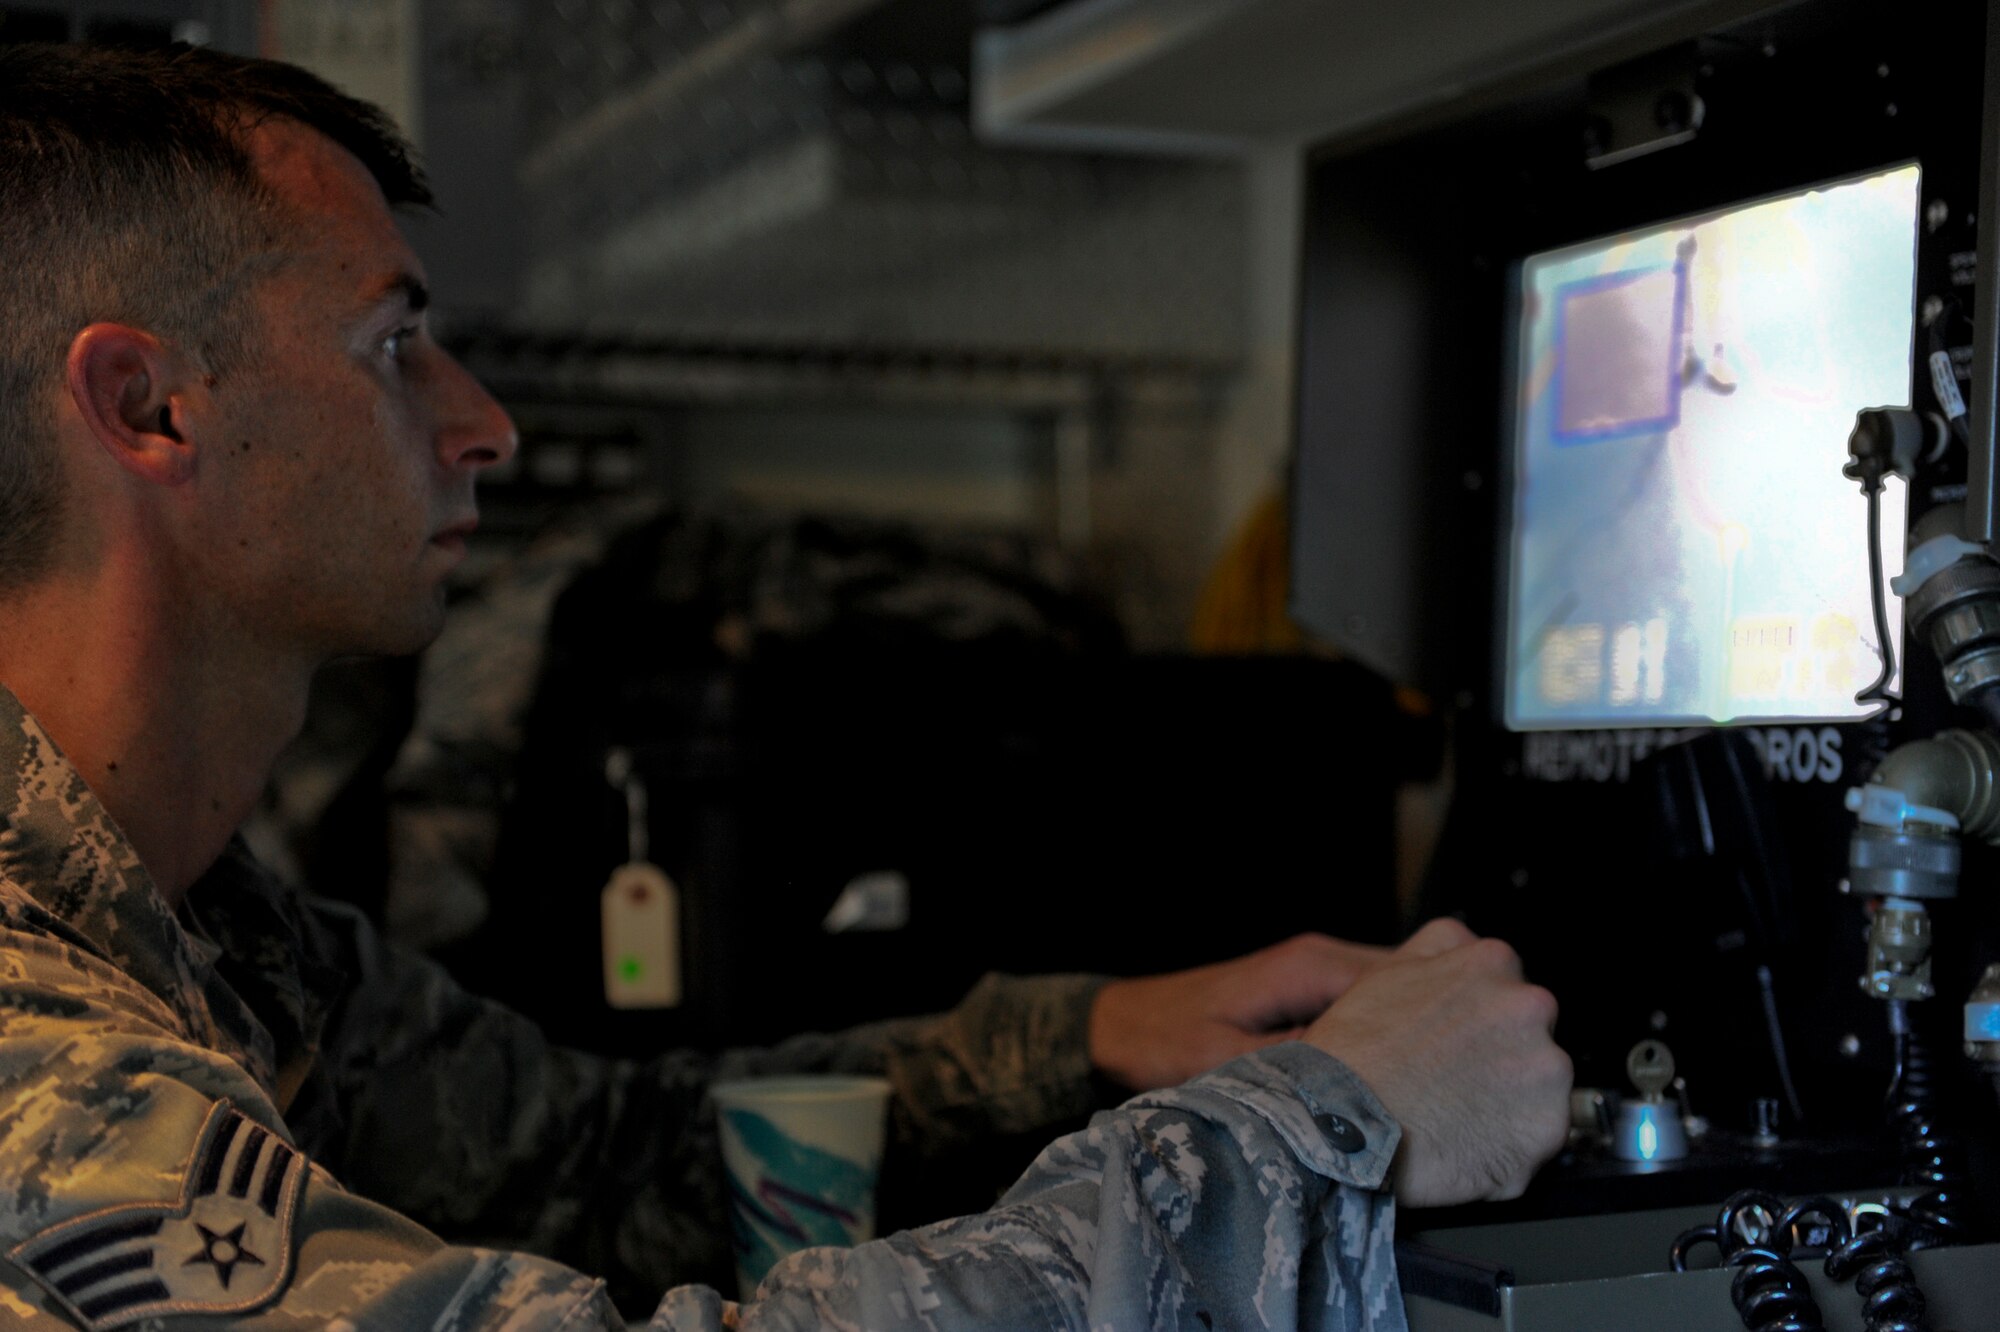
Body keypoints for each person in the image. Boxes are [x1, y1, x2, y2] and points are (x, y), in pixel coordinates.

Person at [0, 41, 1573, 1332]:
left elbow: (616, 1160)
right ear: (146, 407)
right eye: (392, 344)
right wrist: (1322, 1133)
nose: (483, 425)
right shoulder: (34, 1046)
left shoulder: (208, 925)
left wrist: (1092, 1034)